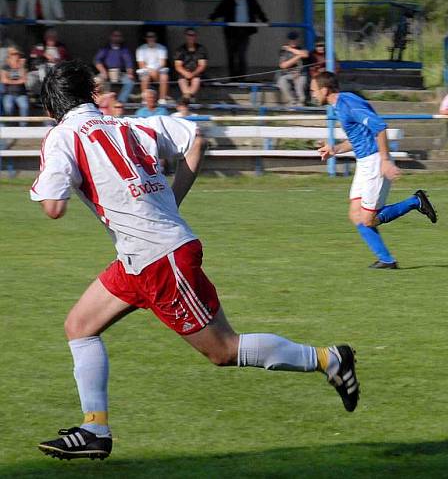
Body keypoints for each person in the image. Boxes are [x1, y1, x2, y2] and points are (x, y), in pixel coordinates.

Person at [32, 61, 359, 461]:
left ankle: (328, 359)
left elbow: (53, 208)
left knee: (223, 349)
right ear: (89, 94)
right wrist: (172, 200)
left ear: (51, 108)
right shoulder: (132, 125)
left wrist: (55, 171)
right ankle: (95, 429)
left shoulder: (61, 135)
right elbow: (196, 138)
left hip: (159, 260)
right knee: (79, 327)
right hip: (139, 257)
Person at [311, 71, 437, 269]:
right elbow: (358, 137)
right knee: (355, 214)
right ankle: (387, 260)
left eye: (314, 90)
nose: (312, 94)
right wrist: (334, 149)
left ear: (325, 90)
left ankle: (415, 202)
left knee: (368, 220)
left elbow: (379, 127)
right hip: (364, 162)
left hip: (374, 161)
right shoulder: (342, 104)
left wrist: (385, 160)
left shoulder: (348, 104)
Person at [208, 0, 268, 79]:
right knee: (231, 55)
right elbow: (219, 9)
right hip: (231, 31)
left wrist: (265, 20)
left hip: (244, 30)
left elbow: (257, 9)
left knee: (241, 54)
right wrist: (211, 18)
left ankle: (241, 78)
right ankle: (233, 78)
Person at [94, 30, 135, 103]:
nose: (117, 38)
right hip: (107, 72)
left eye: (119, 36)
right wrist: (103, 71)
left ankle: (121, 101)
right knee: (97, 80)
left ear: (122, 38)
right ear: (111, 37)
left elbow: (129, 63)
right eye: (115, 36)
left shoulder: (124, 50)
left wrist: (130, 73)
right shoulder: (105, 49)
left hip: (120, 73)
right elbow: (97, 61)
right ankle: (103, 100)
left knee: (130, 82)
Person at [28, 28, 69, 94]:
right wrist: (44, 54)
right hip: (41, 69)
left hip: (56, 68)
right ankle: (43, 93)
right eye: (49, 37)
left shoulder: (61, 47)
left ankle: (48, 92)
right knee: (33, 76)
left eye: (53, 37)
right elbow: (33, 54)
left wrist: (56, 60)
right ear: (45, 38)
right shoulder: (40, 46)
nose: (51, 39)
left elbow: (66, 59)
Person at [174, 28, 208, 102]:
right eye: (189, 35)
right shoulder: (180, 49)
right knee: (182, 79)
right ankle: (190, 98)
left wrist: (193, 74)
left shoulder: (201, 49)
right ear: (185, 36)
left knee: (196, 79)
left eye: (193, 35)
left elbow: (202, 65)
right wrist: (186, 73)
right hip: (183, 73)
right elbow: (178, 66)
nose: (191, 37)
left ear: (195, 36)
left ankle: (186, 98)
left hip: (197, 73)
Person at [136, 32, 170, 105]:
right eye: (149, 37)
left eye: (152, 36)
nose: (150, 38)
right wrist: (151, 71)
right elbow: (141, 64)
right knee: (145, 77)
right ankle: (145, 100)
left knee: (164, 77)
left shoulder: (162, 48)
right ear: (146, 38)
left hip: (159, 70)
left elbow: (163, 63)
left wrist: (156, 70)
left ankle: (162, 99)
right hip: (146, 70)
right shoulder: (141, 49)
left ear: (156, 38)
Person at [276, 31, 309, 106]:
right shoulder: (283, 50)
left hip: (300, 74)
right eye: (291, 39)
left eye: (295, 39)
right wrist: (298, 56)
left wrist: (290, 49)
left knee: (300, 85)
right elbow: (283, 65)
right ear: (288, 40)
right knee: (281, 81)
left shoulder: (301, 48)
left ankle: (301, 102)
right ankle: (292, 101)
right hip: (287, 74)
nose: (293, 41)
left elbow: (306, 54)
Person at [2, 47, 29, 126]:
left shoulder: (22, 66)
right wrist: (17, 81)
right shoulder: (5, 67)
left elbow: (24, 79)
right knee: (8, 106)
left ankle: (23, 126)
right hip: (8, 94)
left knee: (24, 106)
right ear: (9, 57)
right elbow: (4, 80)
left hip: (21, 94)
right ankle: (10, 126)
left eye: (16, 54)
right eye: (13, 55)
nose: (15, 56)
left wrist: (21, 66)